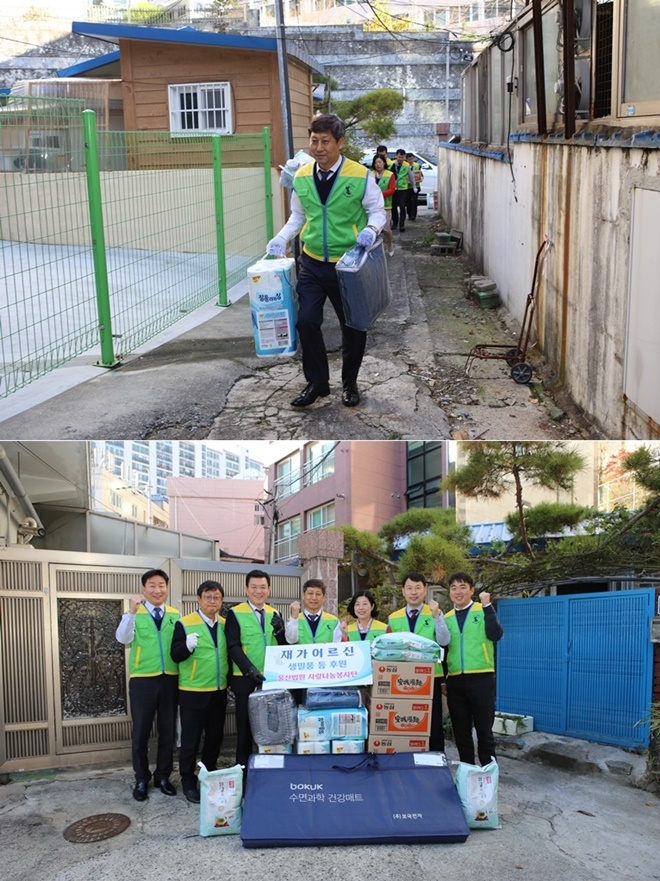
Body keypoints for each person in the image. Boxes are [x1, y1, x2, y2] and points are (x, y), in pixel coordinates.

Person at [267, 114, 386, 409]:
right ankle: (318, 382)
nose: (319, 147)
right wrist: (282, 237)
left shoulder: (359, 175)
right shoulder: (303, 175)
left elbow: (377, 211)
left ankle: (350, 383)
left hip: (349, 266)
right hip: (312, 262)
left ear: (339, 142)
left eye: (325, 141)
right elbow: (299, 214)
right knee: (306, 321)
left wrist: (371, 230)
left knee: (353, 326)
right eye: (314, 141)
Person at [115, 568, 179, 802]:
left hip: (170, 678)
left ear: (167, 588)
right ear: (144, 589)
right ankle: (141, 777)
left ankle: (163, 776)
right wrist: (131, 612)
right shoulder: (134, 613)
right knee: (141, 731)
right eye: (152, 585)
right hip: (143, 679)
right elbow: (123, 638)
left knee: (167, 730)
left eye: (161, 585)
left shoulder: (174, 613)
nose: (157, 590)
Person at [170, 580, 228, 803]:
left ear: (221, 601)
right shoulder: (184, 624)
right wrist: (186, 646)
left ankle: (209, 774)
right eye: (208, 597)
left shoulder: (224, 624)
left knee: (215, 738)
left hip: (218, 690)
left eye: (216, 597)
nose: (212, 601)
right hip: (192, 691)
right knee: (190, 739)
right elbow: (175, 655)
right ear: (199, 599)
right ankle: (187, 779)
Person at [224, 569, 286, 771]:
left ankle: (267, 768)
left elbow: (283, 646)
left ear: (269, 589)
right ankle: (243, 770)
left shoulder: (275, 613)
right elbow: (232, 646)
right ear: (246, 589)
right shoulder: (235, 613)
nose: (258, 591)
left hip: (271, 680)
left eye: (263, 587)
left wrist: (280, 632)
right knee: (245, 729)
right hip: (245, 679)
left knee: (271, 727)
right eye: (254, 587)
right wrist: (249, 670)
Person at [444, 572, 503, 767]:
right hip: (456, 681)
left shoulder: (482, 609)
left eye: (463, 587)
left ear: (472, 590)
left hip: (481, 678)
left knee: (484, 731)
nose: (458, 592)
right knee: (461, 732)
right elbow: (443, 648)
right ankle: (467, 771)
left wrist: (487, 606)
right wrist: (445, 678)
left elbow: (496, 635)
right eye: (454, 588)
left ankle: (488, 772)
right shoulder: (447, 617)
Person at [387, 572, 450, 752]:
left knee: (433, 721)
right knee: (406, 718)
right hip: (402, 677)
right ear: (403, 591)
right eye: (409, 588)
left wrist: (437, 616)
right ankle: (407, 756)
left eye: (417, 588)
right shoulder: (394, 617)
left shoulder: (435, 614)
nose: (413, 592)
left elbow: (444, 641)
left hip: (430, 675)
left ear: (425, 590)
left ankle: (436, 758)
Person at [285, 578, 342, 645]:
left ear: (323, 597)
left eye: (318, 594)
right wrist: (294, 618)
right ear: (303, 596)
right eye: (310, 593)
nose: (314, 597)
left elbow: (338, 645)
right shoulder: (293, 620)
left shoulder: (334, 621)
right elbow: (291, 640)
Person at [371, 155, 396, 257]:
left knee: (386, 229)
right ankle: (374, 249)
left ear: (384, 163)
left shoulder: (390, 175)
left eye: (380, 162)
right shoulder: (370, 174)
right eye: (376, 162)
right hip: (372, 206)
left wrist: (380, 194)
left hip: (386, 206)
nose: (378, 164)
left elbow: (392, 189)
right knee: (373, 229)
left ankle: (390, 244)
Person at [390, 149, 415, 233]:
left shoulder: (406, 165)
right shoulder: (391, 164)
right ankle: (395, 223)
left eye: (402, 157)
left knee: (402, 207)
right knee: (393, 207)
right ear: (396, 155)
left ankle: (402, 225)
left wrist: (414, 186)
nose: (400, 158)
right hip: (393, 189)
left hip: (403, 189)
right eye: (399, 156)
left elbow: (411, 176)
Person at [405, 152, 423, 221]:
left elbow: (421, 175)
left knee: (414, 201)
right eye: (409, 159)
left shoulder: (417, 165)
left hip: (416, 186)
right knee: (408, 201)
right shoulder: (405, 166)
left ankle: (413, 215)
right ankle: (409, 214)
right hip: (407, 187)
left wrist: (420, 178)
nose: (410, 161)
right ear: (406, 159)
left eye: (412, 159)